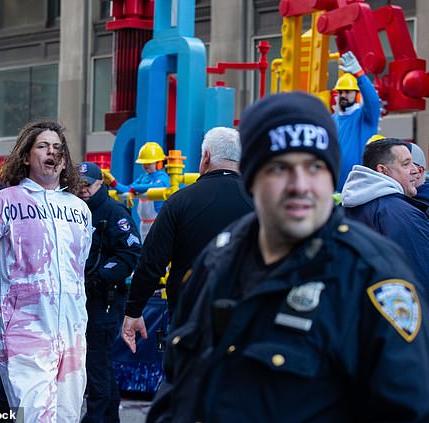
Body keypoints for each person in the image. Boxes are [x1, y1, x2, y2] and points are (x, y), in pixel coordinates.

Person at [148, 92, 429, 423]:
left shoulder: (374, 275)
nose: (300, 185)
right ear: (251, 179)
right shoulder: (218, 260)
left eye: (314, 167)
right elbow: (177, 388)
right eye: (280, 168)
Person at [0, 120, 92, 423]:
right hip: (24, 330)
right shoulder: (2, 202)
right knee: (34, 417)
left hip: (72, 331)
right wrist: (9, 284)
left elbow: (78, 266)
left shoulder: (79, 209)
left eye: (58, 148)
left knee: (68, 416)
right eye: (43, 146)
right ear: (25, 156)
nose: (52, 153)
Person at [121, 127, 253, 353]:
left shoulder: (179, 202)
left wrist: (134, 311)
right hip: (247, 321)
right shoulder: (262, 203)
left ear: (206, 157)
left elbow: (151, 262)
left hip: (189, 319)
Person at [76, 162, 141, 423]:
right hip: (79, 298)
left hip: (103, 299)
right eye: (79, 185)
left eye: (88, 185)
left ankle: (97, 418)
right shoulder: (72, 209)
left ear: (100, 184)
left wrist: (99, 277)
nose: (83, 190)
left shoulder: (114, 212)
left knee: (97, 364)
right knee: (97, 365)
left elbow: (131, 253)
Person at [341, 138, 429, 285]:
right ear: (383, 170)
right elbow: (421, 278)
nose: (415, 170)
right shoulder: (402, 215)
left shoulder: (345, 211)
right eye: (406, 164)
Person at [332, 51, 381, 191]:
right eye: (340, 92)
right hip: (335, 191)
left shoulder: (365, 117)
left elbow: (373, 101)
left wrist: (360, 75)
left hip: (360, 189)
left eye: (348, 92)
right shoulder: (332, 119)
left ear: (357, 93)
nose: (343, 95)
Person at [103, 142, 171, 239]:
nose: (146, 166)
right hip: (144, 222)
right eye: (144, 163)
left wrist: (135, 189)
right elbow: (127, 189)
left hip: (157, 221)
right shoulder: (143, 177)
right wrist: (113, 182)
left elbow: (160, 185)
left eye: (149, 163)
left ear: (159, 163)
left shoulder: (162, 176)